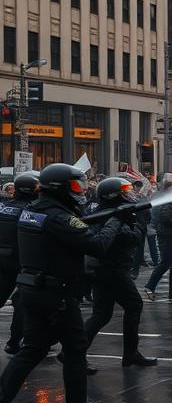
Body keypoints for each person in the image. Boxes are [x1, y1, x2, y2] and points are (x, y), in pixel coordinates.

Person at [0, 163, 124, 403]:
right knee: (75, 350)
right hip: (56, 295)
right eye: (76, 185)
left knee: (33, 350)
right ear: (60, 188)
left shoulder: (33, 210)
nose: (81, 191)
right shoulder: (59, 217)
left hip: (33, 290)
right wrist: (115, 220)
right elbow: (97, 245)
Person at [82, 177, 157, 367]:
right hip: (112, 269)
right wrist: (140, 222)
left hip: (103, 268)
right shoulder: (111, 215)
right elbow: (132, 238)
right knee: (134, 305)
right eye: (124, 191)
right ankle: (130, 354)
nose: (129, 195)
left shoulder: (105, 211)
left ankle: (73, 352)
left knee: (101, 314)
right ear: (114, 195)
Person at [0, 173, 39, 354]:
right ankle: (14, 341)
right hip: (22, 262)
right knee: (22, 302)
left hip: (2, 260)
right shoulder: (31, 211)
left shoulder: (2, 206)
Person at [144, 182, 172, 301]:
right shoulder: (167, 203)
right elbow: (166, 219)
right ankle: (150, 286)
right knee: (165, 264)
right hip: (168, 238)